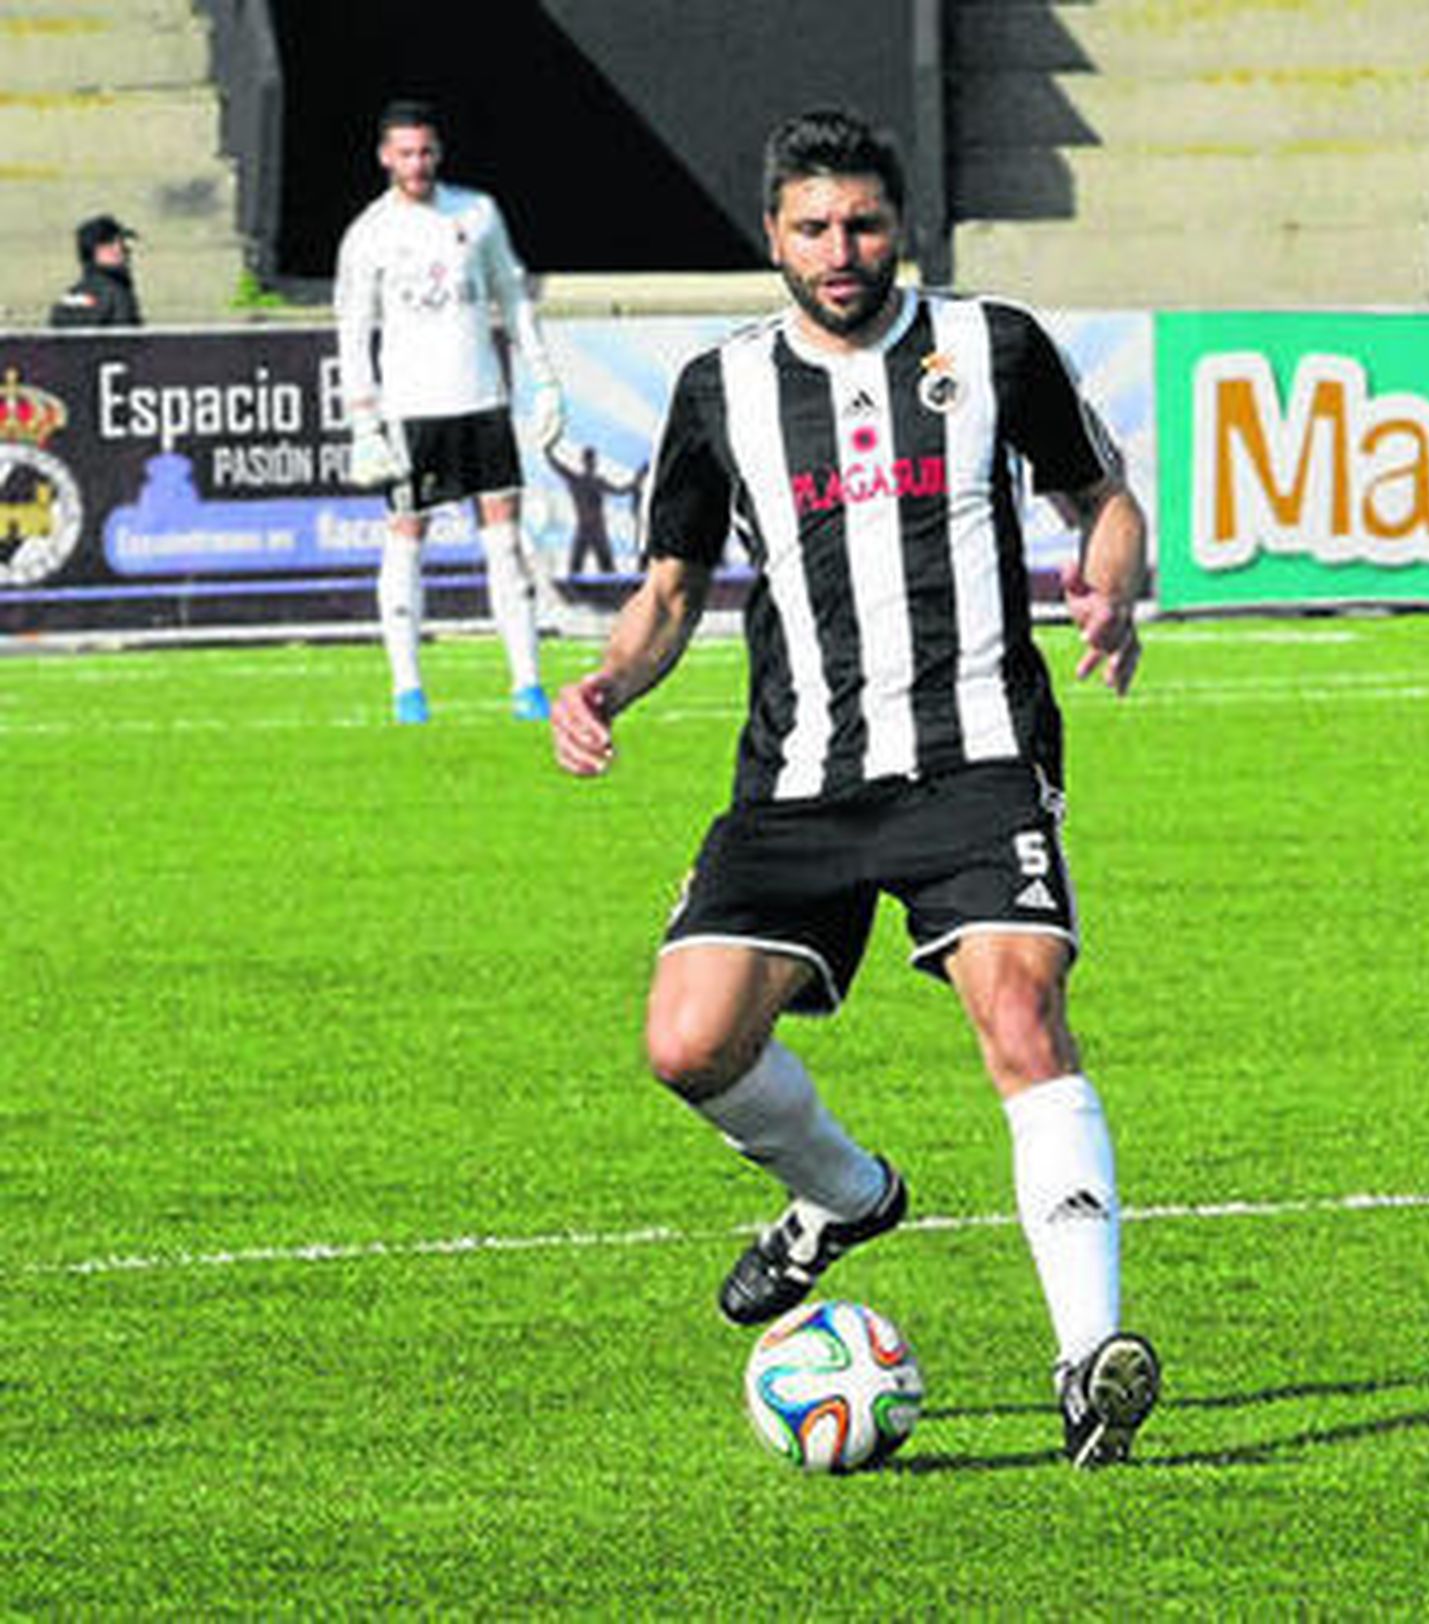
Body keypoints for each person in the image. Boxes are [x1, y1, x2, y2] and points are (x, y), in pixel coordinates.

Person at [551, 107, 1159, 1468]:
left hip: (976, 758)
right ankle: (843, 1193)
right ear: (773, 235)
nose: (842, 250)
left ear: (901, 228)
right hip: (798, 780)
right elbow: (669, 591)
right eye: (815, 227)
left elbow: (1104, 498)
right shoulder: (720, 389)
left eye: (865, 224)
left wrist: (1111, 584)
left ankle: (1090, 1362)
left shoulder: (994, 346)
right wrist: (605, 685)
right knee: (688, 1045)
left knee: (1021, 1009)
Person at [335, 98, 563, 724]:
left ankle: (527, 685)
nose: (417, 163)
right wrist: (363, 420)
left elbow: (512, 296)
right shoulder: (370, 233)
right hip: (412, 409)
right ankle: (407, 689)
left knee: (505, 541)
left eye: (425, 151)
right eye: (405, 153)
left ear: (439, 152)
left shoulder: (477, 212)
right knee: (407, 537)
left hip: (482, 400)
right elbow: (352, 330)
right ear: (385, 157)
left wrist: (544, 379)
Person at [546, 443, 632, 577]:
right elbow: (557, 467)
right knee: (576, 567)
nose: (591, 463)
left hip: (596, 529)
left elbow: (621, 490)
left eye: (591, 460)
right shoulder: (577, 480)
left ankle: (610, 585)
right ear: (587, 462)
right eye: (590, 460)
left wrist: (638, 480)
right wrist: (548, 452)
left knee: (606, 568)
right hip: (587, 529)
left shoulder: (594, 482)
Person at [48, 215, 143, 328]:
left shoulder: (70, 297)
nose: (120, 250)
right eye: (109, 244)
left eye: (121, 243)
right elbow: (127, 336)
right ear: (93, 251)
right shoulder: (117, 294)